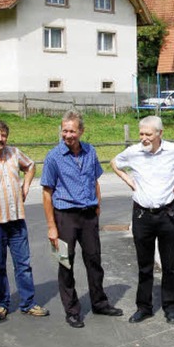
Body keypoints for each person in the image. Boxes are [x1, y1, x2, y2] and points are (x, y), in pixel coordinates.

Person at [111, 115, 174, 325]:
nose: (144, 138)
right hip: (142, 215)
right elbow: (115, 162)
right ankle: (144, 307)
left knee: (169, 264)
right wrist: (127, 178)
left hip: (167, 214)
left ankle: (171, 307)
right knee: (144, 265)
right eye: (141, 133)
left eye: (148, 134)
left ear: (160, 133)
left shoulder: (173, 150)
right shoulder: (133, 152)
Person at [41, 110, 123, 328]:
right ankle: (72, 310)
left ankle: (99, 302)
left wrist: (97, 205)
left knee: (94, 261)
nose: (68, 135)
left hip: (88, 215)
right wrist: (51, 226)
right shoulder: (53, 157)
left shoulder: (90, 151)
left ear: (81, 131)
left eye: (72, 131)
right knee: (65, 263)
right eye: (65, 130)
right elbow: (47, 192)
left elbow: (95, 180)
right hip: (65, 216)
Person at [0, 119, 49, 321]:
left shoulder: (14, 153)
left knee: (23, 264)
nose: (0, 138)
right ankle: (1, 304)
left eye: (3, 135)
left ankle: (28, 303)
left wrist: (26, 186)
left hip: (16, 220)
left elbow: (30, 166)